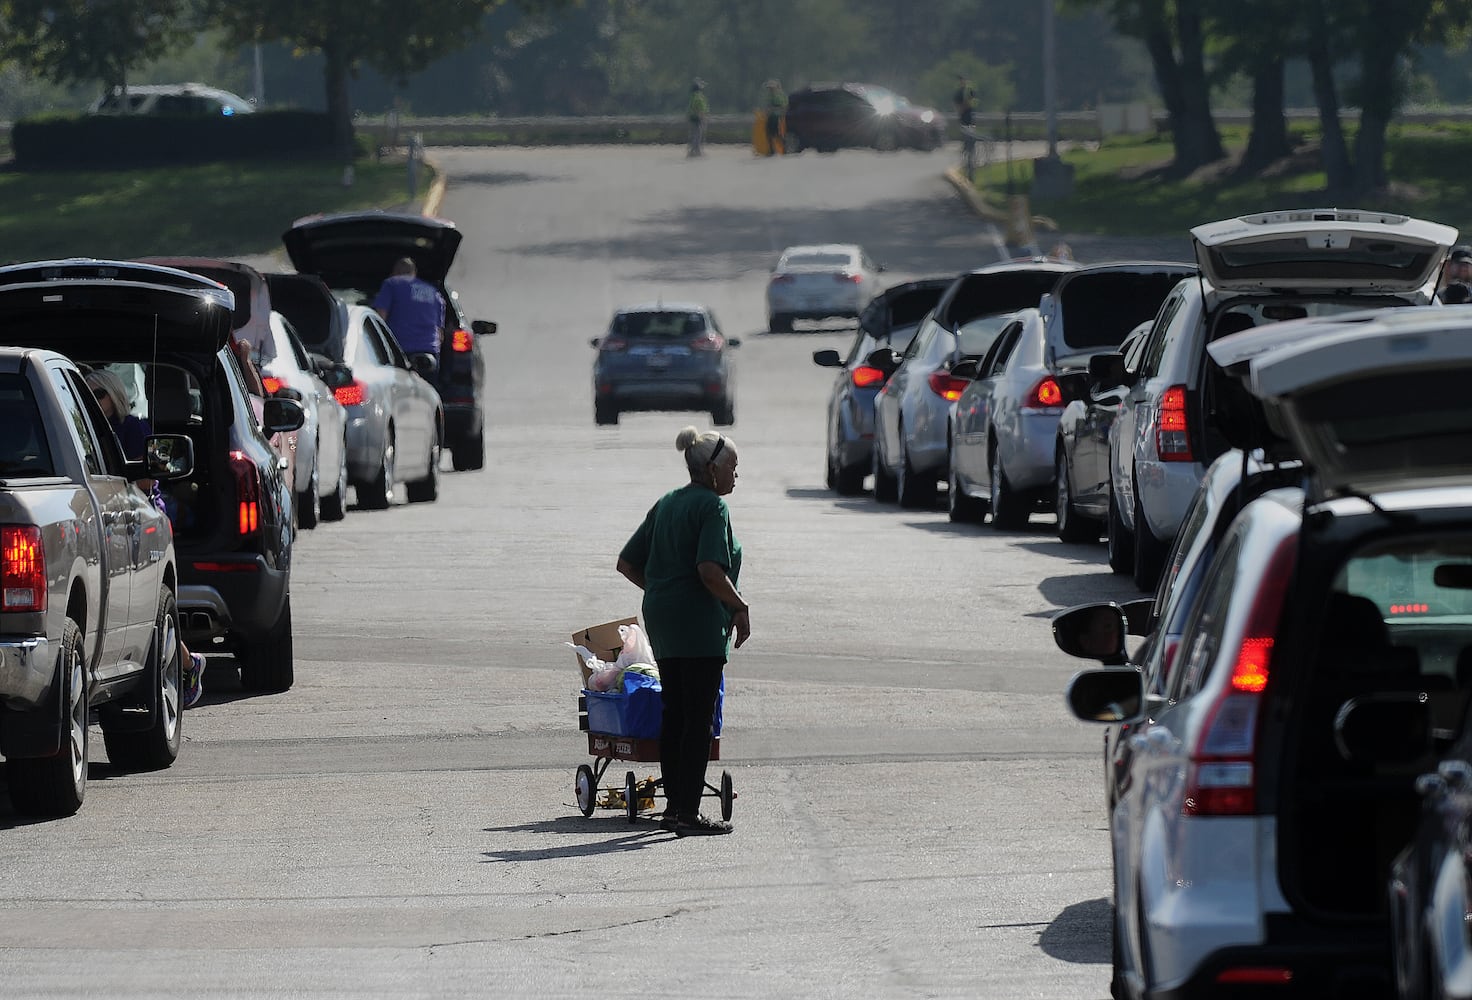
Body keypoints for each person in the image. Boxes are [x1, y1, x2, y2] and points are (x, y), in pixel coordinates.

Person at [616, 427, 749, 836]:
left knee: (675, 714)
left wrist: (662, 591)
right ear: (710, 471)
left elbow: (628, 562)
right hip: (698, 626)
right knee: (697, 719)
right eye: (731, 468)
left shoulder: (667, 502)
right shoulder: (712, 508)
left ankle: (675, 806)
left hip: (665, 622)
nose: (734, 477)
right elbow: (709, 570)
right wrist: (738, 606)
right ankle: (687, 812)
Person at [85, 369, 208, 708]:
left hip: (141, 522)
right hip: (106, 525)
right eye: (89, 395)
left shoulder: (134, 428)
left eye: (100, 395)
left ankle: (187, 664)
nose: (95, 402)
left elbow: (145, 483)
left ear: (115, 395)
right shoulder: (86, 431)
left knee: (152, 607)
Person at [372, 257, 446, 362]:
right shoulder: (433, 292)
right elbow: (440, 333)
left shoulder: (391, 284)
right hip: (429, 352)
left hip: (399, 350)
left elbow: (380, 319)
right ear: (414, 272)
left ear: (395, 272)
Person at [953, 73, 978, 176]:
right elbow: (956, 105)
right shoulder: (958, 93)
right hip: (963, 119)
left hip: (970, 118)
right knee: (965, 139)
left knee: (971, 138)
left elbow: (972, 102)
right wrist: (960, 109)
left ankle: (971, 159)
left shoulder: (969, 91)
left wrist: (965, 105)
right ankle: (966, 159)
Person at [762, 79, 787, 156]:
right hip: (773, 117)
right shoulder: (776, 95)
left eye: (771, 88)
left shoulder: (777, 95)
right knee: (772, 134)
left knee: (774, 134)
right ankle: (774, 150)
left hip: (775, 118)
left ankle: (777, 150)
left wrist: (771, 110)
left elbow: (782, 107)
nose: (770, 90)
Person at [687, 79, 709, 159]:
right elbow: (700, 109)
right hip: (698, 119)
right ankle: (697, 152)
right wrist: (703, 118)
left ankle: (691, 151)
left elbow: (690, 108)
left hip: (691, 118)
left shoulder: (692, 96)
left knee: (693, 135)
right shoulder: (699, 97)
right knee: (698, 136)